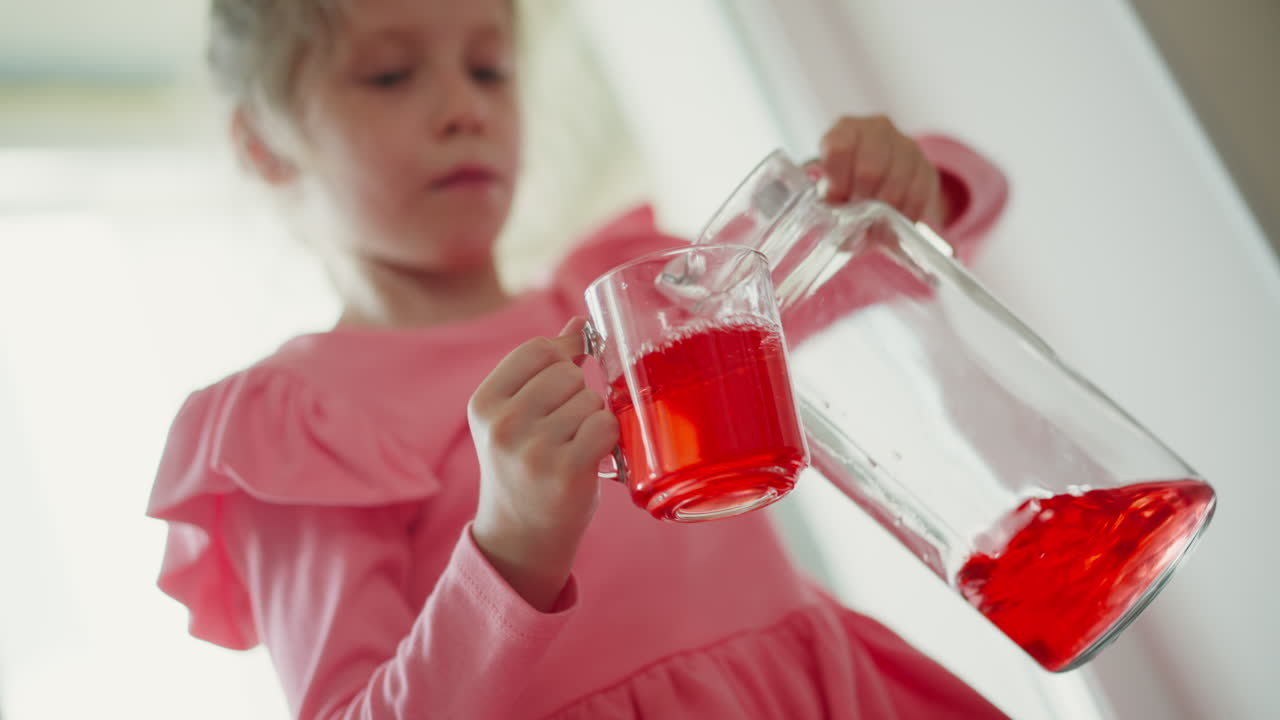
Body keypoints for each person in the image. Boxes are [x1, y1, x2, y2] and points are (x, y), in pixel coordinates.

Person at [147, 0, 1011, 717]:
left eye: (489, 68)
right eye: (389, 75)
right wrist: (510, 550)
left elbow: (876, 255)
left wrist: (908, 184)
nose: (464, 109)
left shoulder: (641, 293)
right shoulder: (301, 425)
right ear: (263, 142)